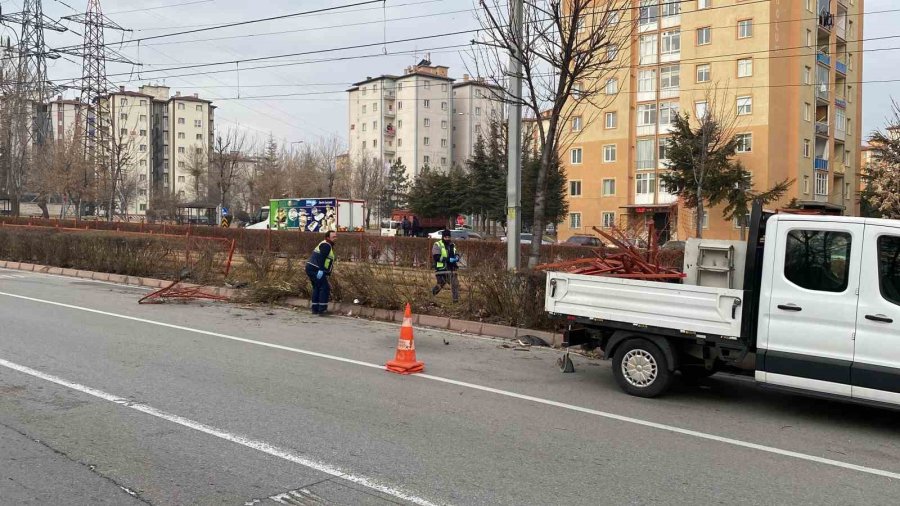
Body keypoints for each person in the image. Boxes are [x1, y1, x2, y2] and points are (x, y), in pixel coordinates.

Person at [306, 231, 337, 316]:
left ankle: (315, 309)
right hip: (316, 269)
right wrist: (321, 269)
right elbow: (321, 258)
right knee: (324, 288)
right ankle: (322, 310)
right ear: (328, 238)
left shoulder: (325, 244)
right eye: (333, 237)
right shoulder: (326, 245)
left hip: (311, 267)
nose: (335, 238)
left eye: (335, 236)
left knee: (317, 287)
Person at [431, 229, 460, 303]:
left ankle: (455, 301)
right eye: (446, 237)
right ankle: (430, 295)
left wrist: (456, 257)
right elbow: (436, 257)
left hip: (452, 268)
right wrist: (448, 259)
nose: (447, 238)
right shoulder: (437, 244)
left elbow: (456, 253)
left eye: (448, 237)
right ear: (443, 237)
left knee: (455, 284)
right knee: (440, 285)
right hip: (441, 269)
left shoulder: (452, 245)